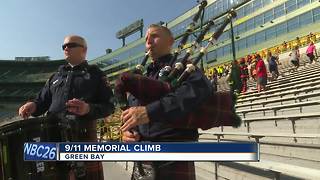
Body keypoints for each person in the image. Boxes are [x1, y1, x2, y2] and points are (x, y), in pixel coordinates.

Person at [120, 24, 212, 180]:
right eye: (146, 37)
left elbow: (198, 91)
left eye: (154, 35)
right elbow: (132, 110)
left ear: (170, 41)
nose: (148, 40)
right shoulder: (142, 76)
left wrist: (150, 112)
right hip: (143, 159)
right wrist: (126, 132)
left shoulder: (186, 67)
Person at [18, 35, 115, 180]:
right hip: (51, 138)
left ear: (84, 50)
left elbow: (109, 106)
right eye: (63, 46)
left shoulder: (97, 74)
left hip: (82, 138)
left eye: (71, 45)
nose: (66, 48)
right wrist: (32, 105)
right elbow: (41, 102)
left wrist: (88, 109)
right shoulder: (55, 77)